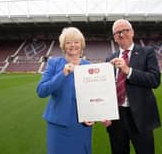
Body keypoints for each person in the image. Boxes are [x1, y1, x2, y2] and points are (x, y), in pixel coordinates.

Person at [105, 19, 161, 154]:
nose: (121, 34)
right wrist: (104, 112)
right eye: (117, 32)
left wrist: (128, 70)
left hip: (140, 117)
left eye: (125, 30)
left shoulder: (147, 52)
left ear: (132, 32)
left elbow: (154, 80)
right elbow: (106, 90)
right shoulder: (109, 59)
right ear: (114, 37)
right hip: (116, 117)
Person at [36, 27, 94, 154]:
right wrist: (62, 74)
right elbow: (41, 91)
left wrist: (95, 114)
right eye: (68, 42)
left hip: (82, 125)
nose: (73, 45)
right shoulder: (54, 63)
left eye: (76, 42)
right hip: (58, 125)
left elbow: (93, 96)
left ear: (81, 44)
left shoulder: (88, 66)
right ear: (63, 45)